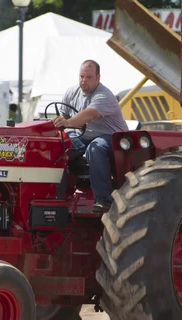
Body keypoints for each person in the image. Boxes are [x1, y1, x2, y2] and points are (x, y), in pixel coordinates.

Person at [52, 60, 128, 214]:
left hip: (111, 137)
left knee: (96, 148)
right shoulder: (71, 93)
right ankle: (57, 195)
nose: (83, 80)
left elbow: (88, 114)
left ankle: (103, 200)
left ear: (98, 78)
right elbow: (62, 116)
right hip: (82, 135)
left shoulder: (104, 95)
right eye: (81, 76)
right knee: (60, 145)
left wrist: (66, 123)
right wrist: (58, 124)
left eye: (88, 77)